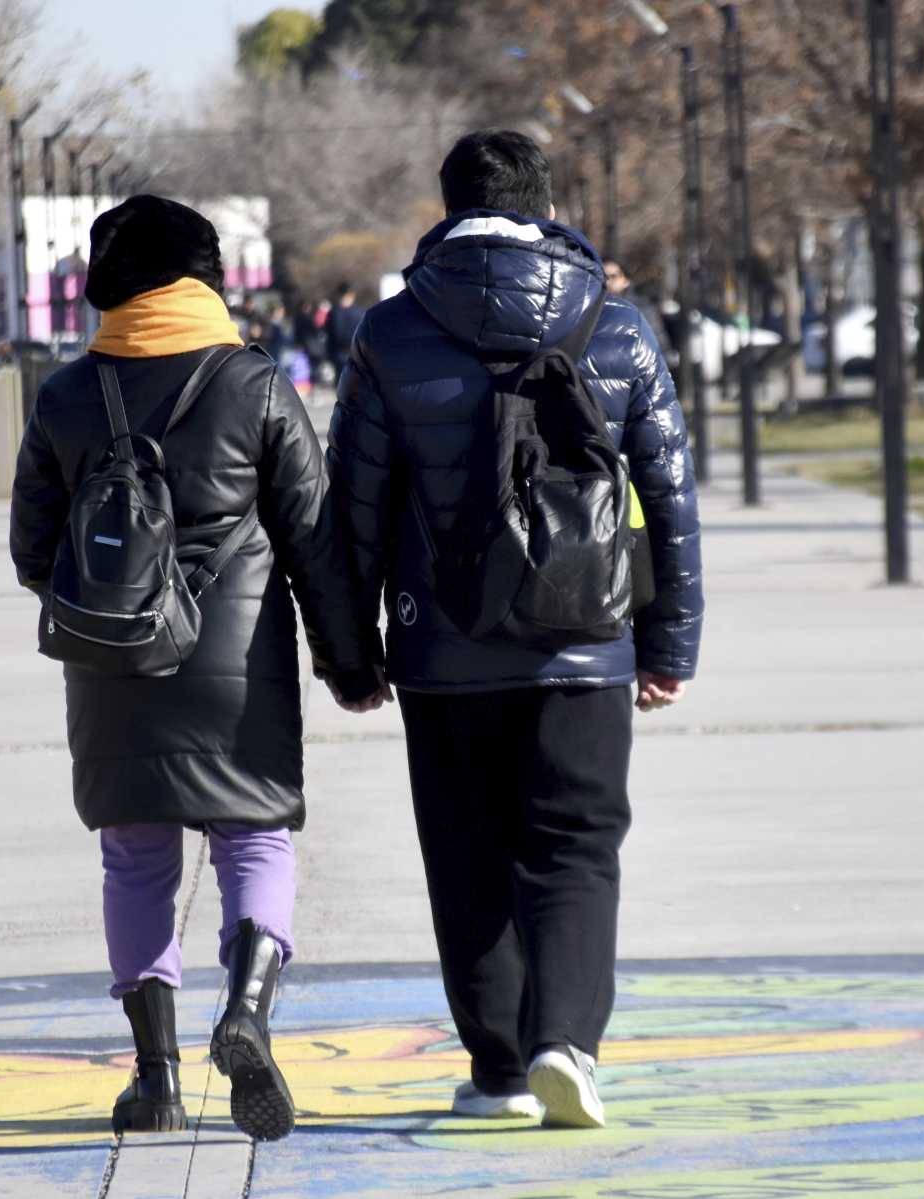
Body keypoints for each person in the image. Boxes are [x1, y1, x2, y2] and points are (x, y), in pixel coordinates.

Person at [326, 130, 704, 1128]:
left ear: (447, 209)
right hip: (586, 639)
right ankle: (567, 1043)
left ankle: (497, 1069)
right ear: (543, 207)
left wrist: (348, 651)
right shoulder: (616, 327)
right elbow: (669, 497)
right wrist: (667, 643)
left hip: (442, 645)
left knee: (465, 848)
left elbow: (353, 506)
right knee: (576, 844)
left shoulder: (393, 333)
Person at [10, 195, 382, 1143]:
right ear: (200, 278)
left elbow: (30, 552)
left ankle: (156, 1077)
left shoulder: (63, 396)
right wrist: (349, 663)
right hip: (238, 660)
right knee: (254, 839)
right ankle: (248, 1013)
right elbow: (314, 539)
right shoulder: (254, 385)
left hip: (112, 664)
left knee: (134, 856)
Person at [324, 283, 365, 381]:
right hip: (342, 355)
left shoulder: (358, 313)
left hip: (352, 355)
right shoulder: (334, 312)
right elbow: (330, 335)